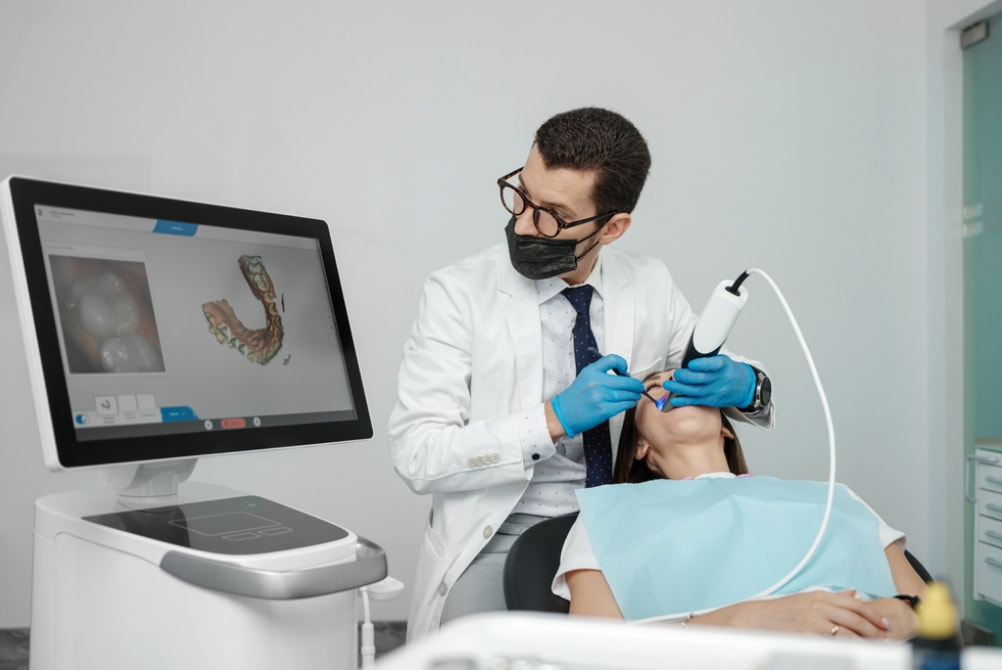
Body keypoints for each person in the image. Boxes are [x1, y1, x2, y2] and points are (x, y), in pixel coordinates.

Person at [388, 107, 776, 639]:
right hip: (503, 528)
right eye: (521, 195)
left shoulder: (650, 284)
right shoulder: (458, 294)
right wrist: (552, 419)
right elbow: (417, 454)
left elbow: (709, 365)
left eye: (551, 214)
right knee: (478, 650)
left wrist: (746, 384)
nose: (524, 223)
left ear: (612, 227)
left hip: (634, 524)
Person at [553, 368, 927, 640]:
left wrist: (895, 618)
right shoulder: (606, 516)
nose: (675, 386)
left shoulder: (834, 496)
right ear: (640, 447)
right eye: (658, 386)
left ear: (726, 428)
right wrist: (741, 620)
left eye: (691, 384)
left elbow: (934, 621)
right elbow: (592, 655)